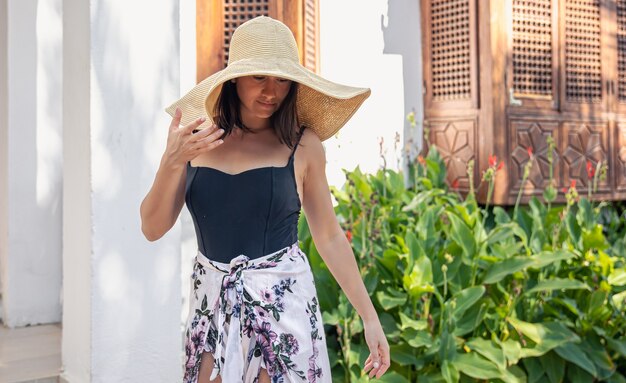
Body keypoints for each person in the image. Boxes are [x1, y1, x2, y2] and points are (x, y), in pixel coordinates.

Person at [140, 16, 389, 383]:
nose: (272, 91)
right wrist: (171, 159)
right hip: (212, 309)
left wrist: (370, 318)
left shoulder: (303, 146)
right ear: (234, 79)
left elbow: (330, 236)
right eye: (259, 76)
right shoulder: (196, 143)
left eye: (283, 79)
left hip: (283, 310)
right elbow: (152, 227)